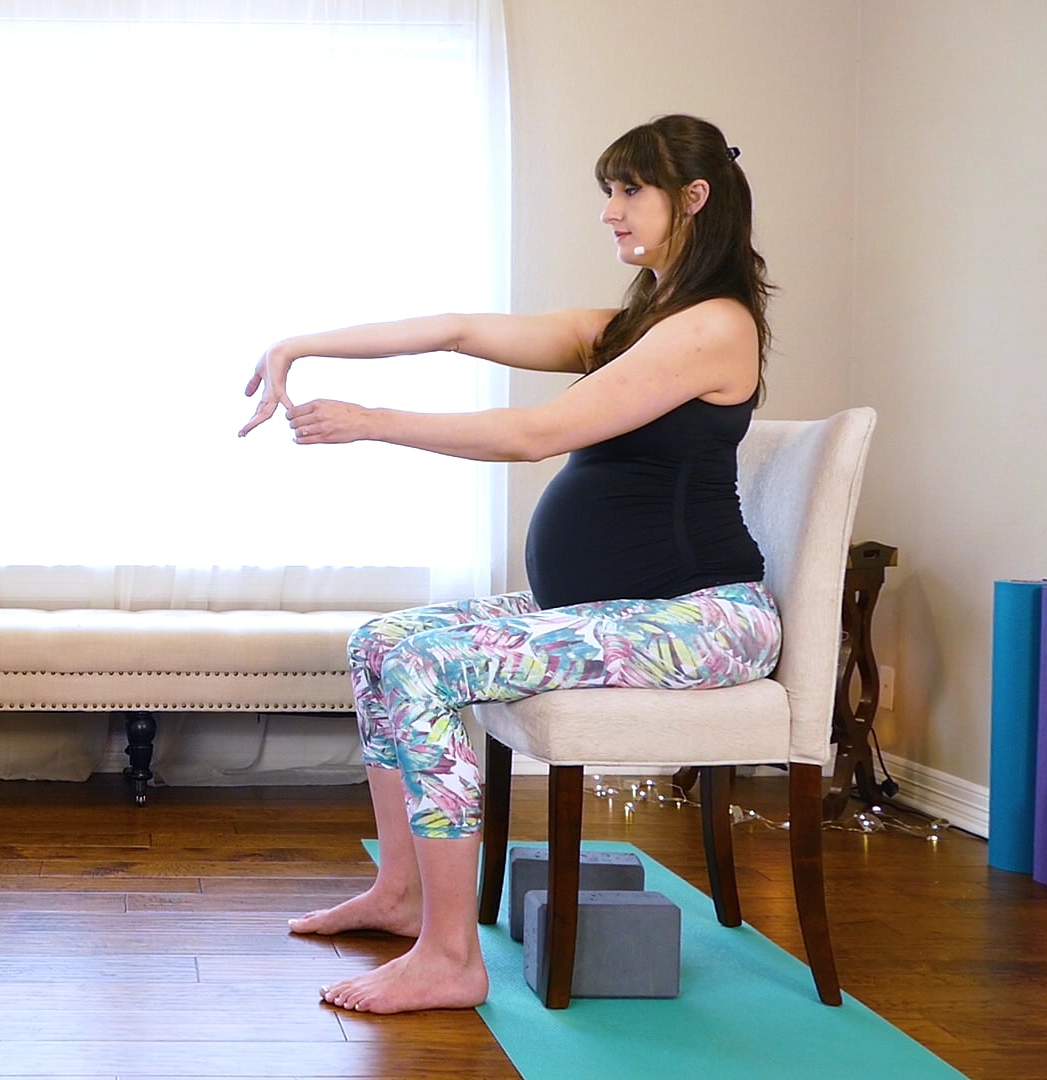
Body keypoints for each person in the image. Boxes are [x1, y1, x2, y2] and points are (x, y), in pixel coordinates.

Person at [238, 114, 783, 1014]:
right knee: (381, 642)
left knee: (426, 664)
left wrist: (373, 422)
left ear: (694, 198)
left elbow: (535, 434)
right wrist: (300, 343)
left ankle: (450, 958)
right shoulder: (635, 326)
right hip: (617, 606)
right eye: (607, 191)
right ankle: (401, 894)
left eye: (629, 191)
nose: (609, 211)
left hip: (701, 621)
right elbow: (459, 329)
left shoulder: (714, 327)